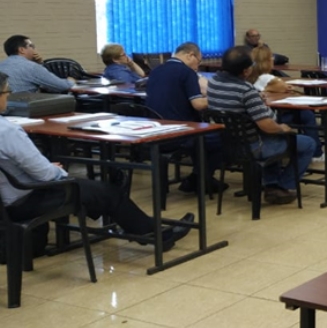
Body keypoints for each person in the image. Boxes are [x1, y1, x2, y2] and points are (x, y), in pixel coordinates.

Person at [0, 73, 193, 250]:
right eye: (7, 92)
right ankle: (158, 237)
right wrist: (56, 171)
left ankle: (130, 220)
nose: (8, 97)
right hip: (25, 199)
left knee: (94, 190)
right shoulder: (8, 131)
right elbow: (45, 175)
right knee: (109, 193)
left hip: (8, 199)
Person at [207, 46, 317, 205]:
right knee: (306, 143)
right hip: (254, 146)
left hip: (227, 144)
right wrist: (282, 128)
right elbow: (267, 125)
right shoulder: (246, 91)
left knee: (273, 137)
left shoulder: (214, 83)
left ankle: (271, 184)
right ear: (246, 71)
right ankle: (283, 186)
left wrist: (257, 100)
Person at [146, 42, 225, 194]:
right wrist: (219, 97)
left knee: (206, 137)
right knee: (224, 137)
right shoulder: (186, 72)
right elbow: (198, 104)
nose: (198, 65)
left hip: (156, 130)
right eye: (199, 61)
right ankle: (200, 178)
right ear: (190, 55)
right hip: (180, 132)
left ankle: (199, 178)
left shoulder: (156, 71)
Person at [247, 45, 327, 162]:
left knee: (304, 114)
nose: (273, 59)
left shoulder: (250, 77)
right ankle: (317, 153)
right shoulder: (267, 77)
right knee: (307, 114)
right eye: (271, 57)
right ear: (265, 61)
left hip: (259, 116)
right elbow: (284, 87)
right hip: (273, 117)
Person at [0, 35, 73, 94]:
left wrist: (38, 64)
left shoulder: (2, 65)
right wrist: (71, 80)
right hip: (22, 109)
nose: (34, 49)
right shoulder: (31, 67)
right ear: (21, 50)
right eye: (32, 46)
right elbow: (62, 86)